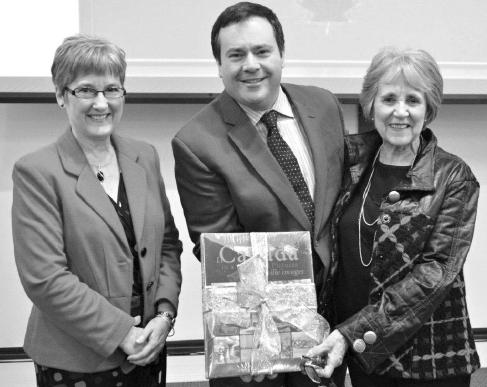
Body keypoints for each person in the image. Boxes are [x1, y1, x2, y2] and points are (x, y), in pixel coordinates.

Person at [172, 2, 345, 386]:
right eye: (236, 55)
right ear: (219, 65)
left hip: (335, 325)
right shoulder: (197, 142)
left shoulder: (324, 105)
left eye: (262, 51)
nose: (251, 65)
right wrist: (256, 340)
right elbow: (221, 251)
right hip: (261, 341)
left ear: (281, 54)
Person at [12, 34, 183, 387]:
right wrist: (122, 333)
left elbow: (167, 244)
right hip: (77, 362)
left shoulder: (145, 156)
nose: (101, 103)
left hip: (148, 348)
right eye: (86, 90)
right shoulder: (37, 171)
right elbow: (45, 279)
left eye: (112, 89)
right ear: (61, 95)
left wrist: (164, 316)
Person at [307, 47, 481, 387]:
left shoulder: (453, 176)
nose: (400, 112)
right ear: (370, 105)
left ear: (428, 109)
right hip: (361, 353)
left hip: (426, 358)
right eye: (388, 99)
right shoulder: (349, 161)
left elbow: (435, 274)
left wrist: (351, 333)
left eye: (413, 101)